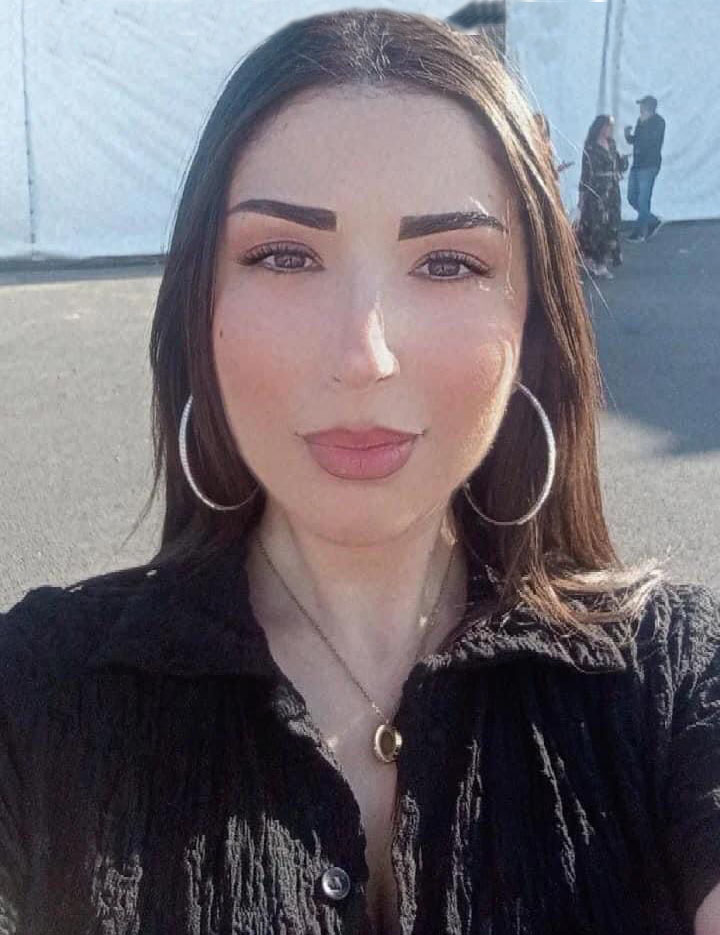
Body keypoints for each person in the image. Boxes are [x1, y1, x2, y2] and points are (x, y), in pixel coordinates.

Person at [1, 10, 720, 935]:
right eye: (284, 255)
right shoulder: (41, 692)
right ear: (199, 307)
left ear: (531, 324)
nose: (363, 356)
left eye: (449, 263)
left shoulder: (673, 682)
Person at [576, 114, 629, 279]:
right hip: (597, 192)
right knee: (596, 226)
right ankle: (597, 262)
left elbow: (617, 164)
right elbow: (586, 173)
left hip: (612, 191)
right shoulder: (590, 147)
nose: (610, 129)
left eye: (611, 126)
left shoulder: (612, 144)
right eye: (608, 126)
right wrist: (582, 196)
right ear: (600, 127)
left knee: (611, 224)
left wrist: (623, 162)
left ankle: (601, 260)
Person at [624, 94, 666, 241]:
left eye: (642, 106)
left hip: (649, 166)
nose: (640, 109)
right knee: (631, 197)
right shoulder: (641, 121)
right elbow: (636, 140)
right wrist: (628, 135)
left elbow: (652, 142)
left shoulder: (658, 122)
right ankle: (653, 220)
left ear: (650, 108)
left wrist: (644, 124)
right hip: (637, 164)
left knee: (643, 200)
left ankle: (640, 232)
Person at [533, 111, 574, 178]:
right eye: (536, 123)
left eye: (540, 124)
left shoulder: (548, 146)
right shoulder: (531, 145)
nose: (538, 127)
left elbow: (551, 171)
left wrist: (557, 170)